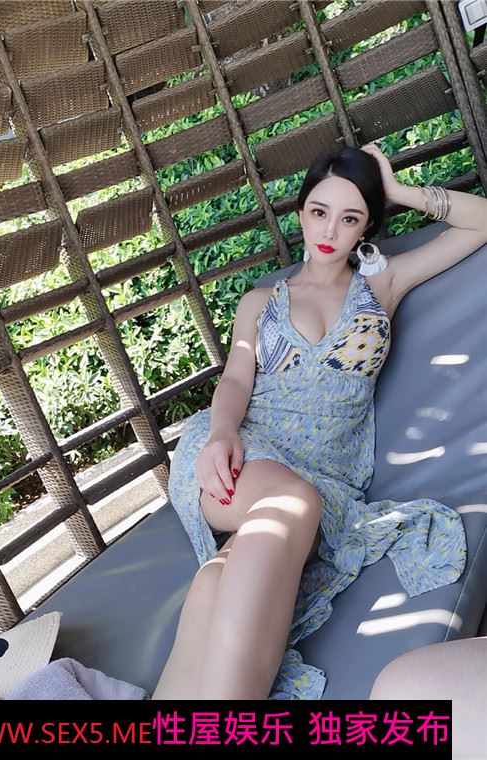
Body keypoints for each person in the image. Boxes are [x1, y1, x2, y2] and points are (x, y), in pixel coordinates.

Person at [152, 143, 487, 700]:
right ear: (301, 211)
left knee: (219, 579)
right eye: (319, 211)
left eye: (350, 217)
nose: (330, 229)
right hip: (242, 452)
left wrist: (398, 191)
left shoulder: (381, 285)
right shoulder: (260, 302)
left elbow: (482, 223)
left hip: (328, 482)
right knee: (291, 502)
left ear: (367, 226)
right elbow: (234, 381)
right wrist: (220, 435)